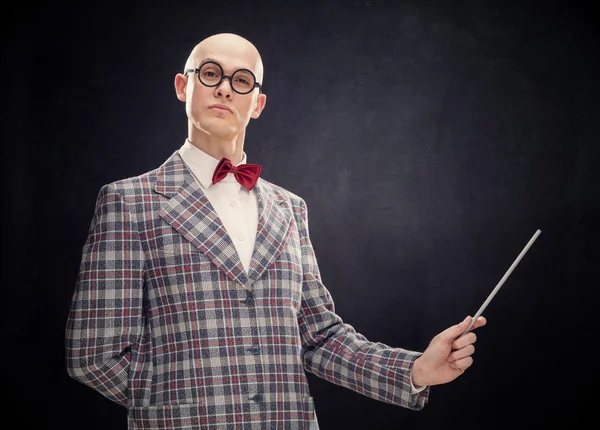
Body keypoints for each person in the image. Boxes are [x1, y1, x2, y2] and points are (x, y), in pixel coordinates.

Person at [65, 33, 486, 430]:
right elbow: (94, 355)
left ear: (258, 104)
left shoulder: (290, 209)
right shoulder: (129, 202)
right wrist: (182, 409)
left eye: (241, 81)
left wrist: (414, 370)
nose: (225, 89)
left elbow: (320, 338)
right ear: (183, 86)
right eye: (211, 74)